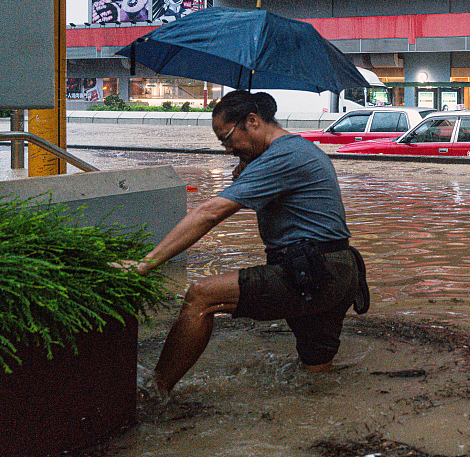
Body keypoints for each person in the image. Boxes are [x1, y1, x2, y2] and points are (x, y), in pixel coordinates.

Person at [129, 90, 368, 401]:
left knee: (201, 297)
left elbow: (210, 212)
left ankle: (155, 391)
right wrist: (249, 171)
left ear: (253, 121)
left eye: (228, 138)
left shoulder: (285, 155)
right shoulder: (297, 151)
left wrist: (146, 263)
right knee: (316, 374)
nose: (228, 149)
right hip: (337, 270)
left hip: (312, 272)